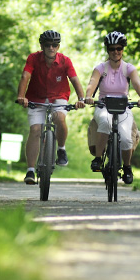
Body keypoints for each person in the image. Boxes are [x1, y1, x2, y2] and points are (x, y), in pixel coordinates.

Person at [15, 29, 86, 185]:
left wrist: (81, 98)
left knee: (59, 117)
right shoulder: (33, 58)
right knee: (35, 130)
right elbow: (25, 76)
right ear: (42, 46)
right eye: (48, 45)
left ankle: (61, 148)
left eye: (55, 45)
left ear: (58, 47)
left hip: (58, 97)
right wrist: (21, 96)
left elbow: (75, 80)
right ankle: (30, 171)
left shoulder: (65, 61)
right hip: (36, 98)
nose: (51, 48)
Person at [82, 31, 140, 184]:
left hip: (123, 107)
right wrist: (89, 96)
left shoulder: (129, 68)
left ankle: (127, 167)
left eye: (119, 48)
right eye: (112, 49)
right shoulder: (101, 68)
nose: (115, 52)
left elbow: (137, 84)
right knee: (105, 121)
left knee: (125, 138)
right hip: (104, 106)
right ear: (108, 50)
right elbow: (92, 83)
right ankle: (98, 159)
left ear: (123, 50)